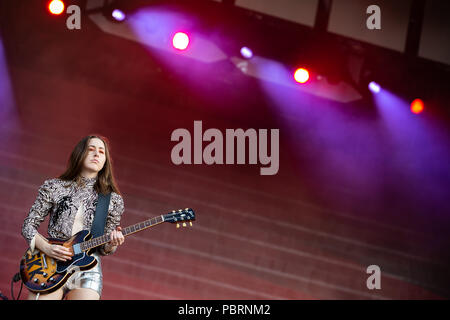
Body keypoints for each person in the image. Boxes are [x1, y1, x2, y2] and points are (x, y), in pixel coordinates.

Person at [21, 135, 125, 300]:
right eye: (91, 150)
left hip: (88, 268)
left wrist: (113, 243)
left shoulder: (113, 200)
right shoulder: (54, 187)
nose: (96, 154)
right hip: (50, 262)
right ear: (80, 154)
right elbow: (28, 226)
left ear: (105, 161)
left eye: (101, 152)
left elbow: (105, 248)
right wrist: (47, 247)